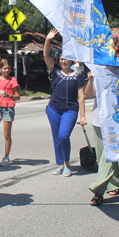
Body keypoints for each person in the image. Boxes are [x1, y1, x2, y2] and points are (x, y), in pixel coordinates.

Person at [44, 29, 86, 177]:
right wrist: (48, 39)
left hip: (70, 110)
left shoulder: (77, 76)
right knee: (56, 137)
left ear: (71, 60)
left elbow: (81, 97)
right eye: (61, 58)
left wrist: (82, 116)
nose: (63, 61)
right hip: (54, 109)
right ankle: (60, 164)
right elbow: (46, 55)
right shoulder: (54, 70)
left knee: (63, 136)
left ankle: (67, 163)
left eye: (66, 58)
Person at [85, 70, 119, 206]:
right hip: (98, 120)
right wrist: (90, 80)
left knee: (108, 156)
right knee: (102, 155)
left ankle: (99, 191)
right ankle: (116, 182)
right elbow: (89, 94)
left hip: (115, 121)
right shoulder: (98, 72)